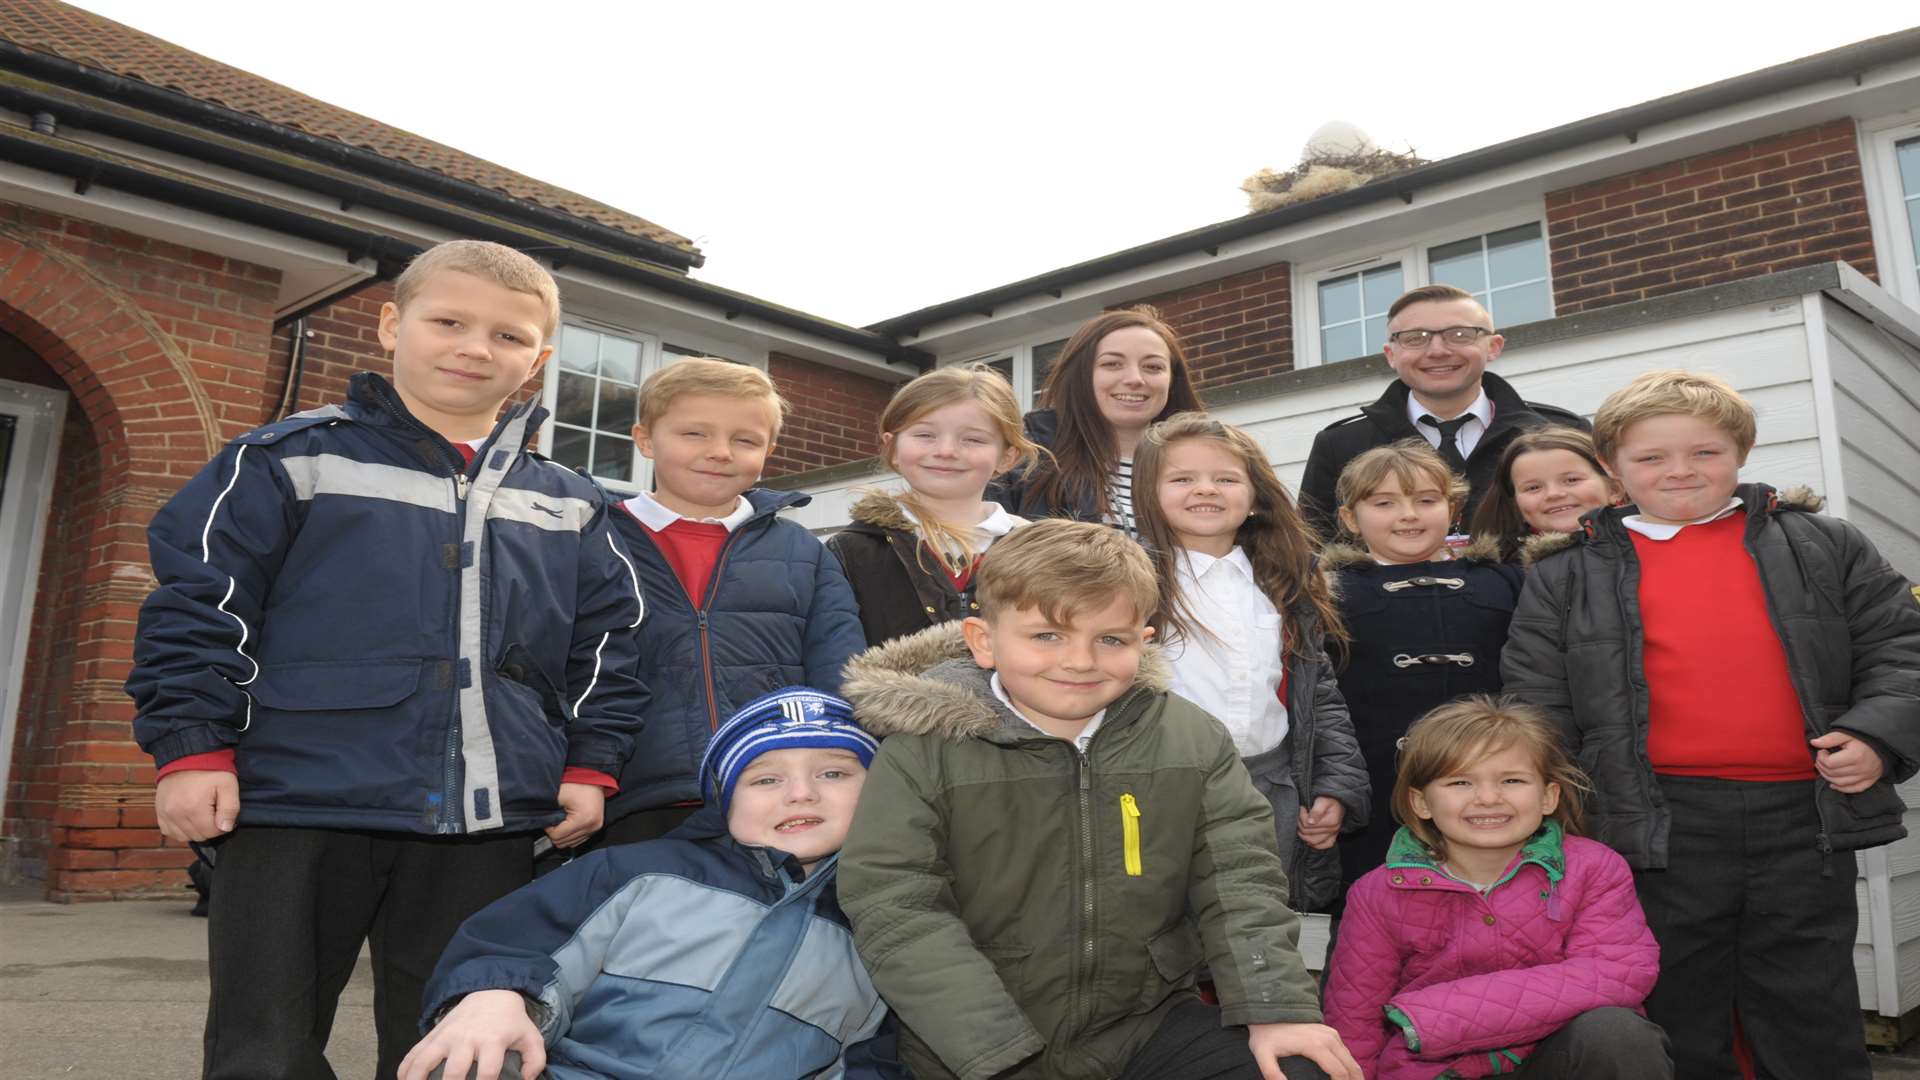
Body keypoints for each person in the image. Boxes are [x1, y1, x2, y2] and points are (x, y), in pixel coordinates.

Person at [125, 240, 647, 1079]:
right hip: (295, 803)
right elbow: (197, 610)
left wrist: (590, 766)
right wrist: (191, 747)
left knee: (461, 1047)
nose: (476, 348)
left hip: (488, 821)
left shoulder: (576, 504)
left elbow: (609, 648)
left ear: (539, 360)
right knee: (264, 1048)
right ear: (389, 325)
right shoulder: (285, 460)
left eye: (509, 337)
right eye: (449, 322)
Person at [1502, 369, 1920, 1079]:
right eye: (1652, 457)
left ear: (1743, 452)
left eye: (1704, 452)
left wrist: (1876, 737)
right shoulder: (1565, 574)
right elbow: (1538, 703)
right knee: (1677, 1002)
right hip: (1656, 822)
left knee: (1808, 999)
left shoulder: (1822, 544)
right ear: (1612, 468)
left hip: (1805, 815)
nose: (1680, 471)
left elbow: (1901, 648)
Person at [837, 519, 1361, 1080]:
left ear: (1145, 641)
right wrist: (991, 1049)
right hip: (979, 1043)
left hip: (1147, 1025)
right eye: (1047, 635)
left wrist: (1277, 1009)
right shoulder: (924, 749)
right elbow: (896, 903)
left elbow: (1240, 881)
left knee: (1298, 1068)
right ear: (983, 641)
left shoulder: (1191, 740)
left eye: (1110, 638)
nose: (1080, 661)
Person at [399, 688, 903, 1080]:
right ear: (726, 806)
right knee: (473, 1052)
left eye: (834, 773)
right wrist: (498, 995)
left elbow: (873, 1059)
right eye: (765, 779)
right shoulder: (636, 873)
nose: (801, 793)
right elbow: (513, 941)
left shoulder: (886, 926)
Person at [1323, 696, 1670, 1079]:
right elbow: (1354, 1026)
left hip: (1555, 1060)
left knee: (1616, 1033)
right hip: (1436, 1072)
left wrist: (1435, 1016)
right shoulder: (1378, 893)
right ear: (1421, 802)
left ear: (1548, 797)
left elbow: (1619, 972)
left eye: (1512, 780)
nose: (1488, 798)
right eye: (1460, 782)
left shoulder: (1594, 868)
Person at [597, 359, 865, 848]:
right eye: (694, 433)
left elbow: (839, 669)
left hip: (774, 794)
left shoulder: (803, 552)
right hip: (632, 797)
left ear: (769, 451)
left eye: (745, 440)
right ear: (646, 439)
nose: (719, 452)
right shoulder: (596, 538)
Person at [1132, 413, 1368, 912]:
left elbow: (1320, 698)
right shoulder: (1128, 582)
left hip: (1270, 789)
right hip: (1162, 791)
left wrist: (1335, 787)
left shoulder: (1285, 583)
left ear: (1256, 494)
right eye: (1182, 479)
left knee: (1261, 920)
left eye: (1225, 478)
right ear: (1148, 494)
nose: (1206, 490)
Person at [1323, 442, 1522, 886]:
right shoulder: (1326, 593)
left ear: (1452, 508)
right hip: (1378, 783)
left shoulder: (1503, 580)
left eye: (1425, 500)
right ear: (1351, 519)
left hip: (1490, 774)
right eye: (1385, 503)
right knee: (1382, 900)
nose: (1408, 514)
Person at [1299, 284, 1587, 540]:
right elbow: (1315, 550)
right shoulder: (1340, 446)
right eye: (1415, 338)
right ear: (1391, 355)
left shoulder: (1562, 432)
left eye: (1459, 335)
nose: (1437, 350)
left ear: (1493, 347)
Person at [828, 364, 1039, 646]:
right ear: (893, 448)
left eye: (973, 439)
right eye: (925, 435)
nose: (946, 451)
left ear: (1007, 458)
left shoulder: (1041, 551)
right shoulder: (847, 552)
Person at [994, 305, 1202, 535]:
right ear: (1081, 374)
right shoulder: (1024, 463)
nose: (1134, 379)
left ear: (1172, 380)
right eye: (1112, 364)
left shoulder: (1214, 464)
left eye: (1153, 367)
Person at [1468, 427, 1621, 563]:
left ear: (1615, 488)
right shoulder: (1501, 577)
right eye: (1533, 487)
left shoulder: (1642, 546)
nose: (1553, 494)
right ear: (1515, 505)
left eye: (1571, 480)